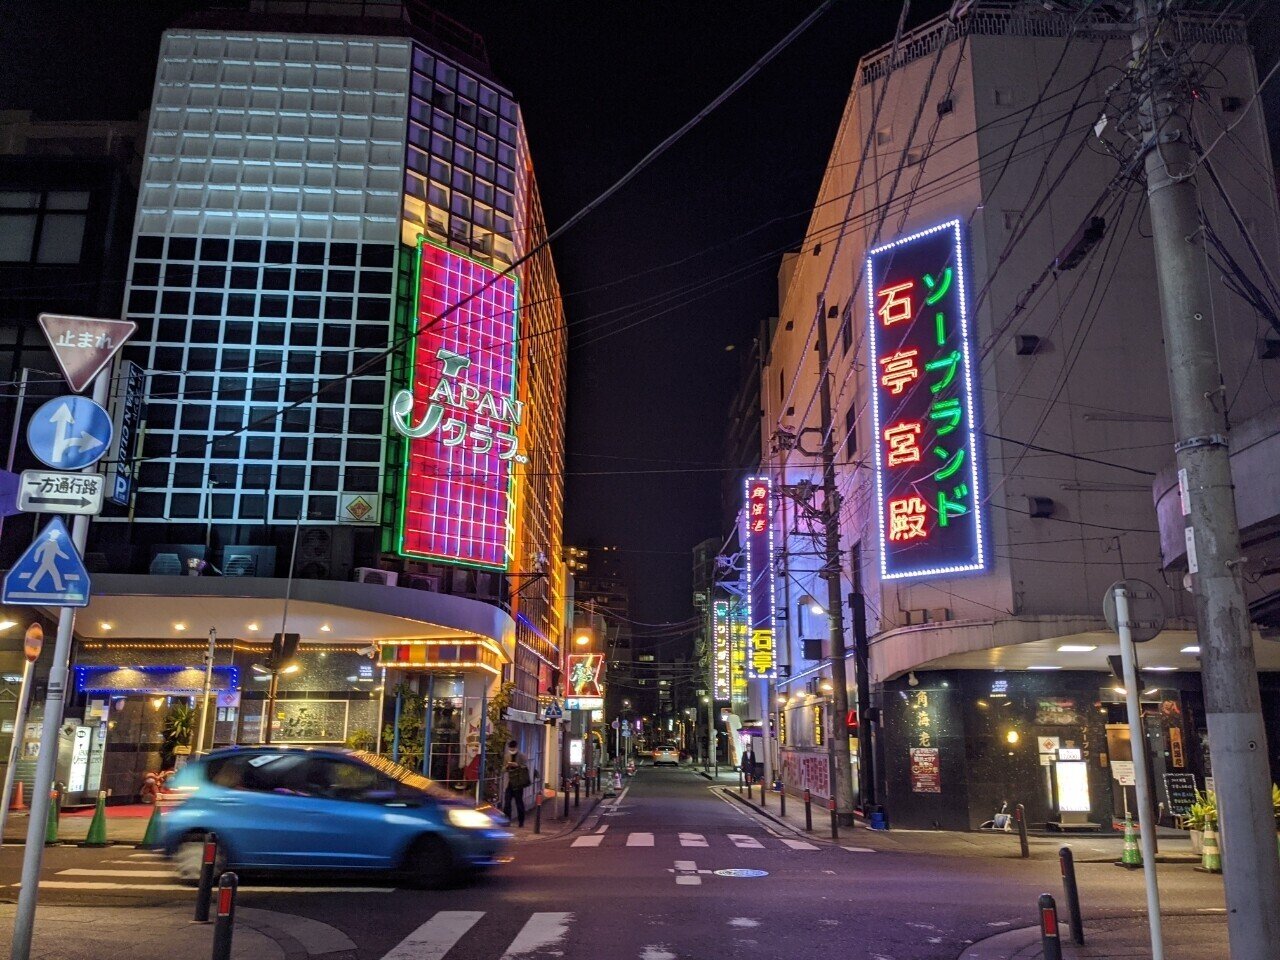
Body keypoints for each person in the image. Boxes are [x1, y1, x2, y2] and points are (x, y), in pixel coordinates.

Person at [503, 740, 530, 827]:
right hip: (510, 782)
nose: (512, 749)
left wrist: (517, 765)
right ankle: (507, 820)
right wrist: (507, 767)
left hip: (518, 783)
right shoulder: (507, 756)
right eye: (510, 748)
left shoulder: (522, 756)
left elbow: (525, 767)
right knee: (507, 802)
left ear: (516, 747)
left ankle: (521, 822)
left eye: (513, 748)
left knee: (519, 803)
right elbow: (503, 769)